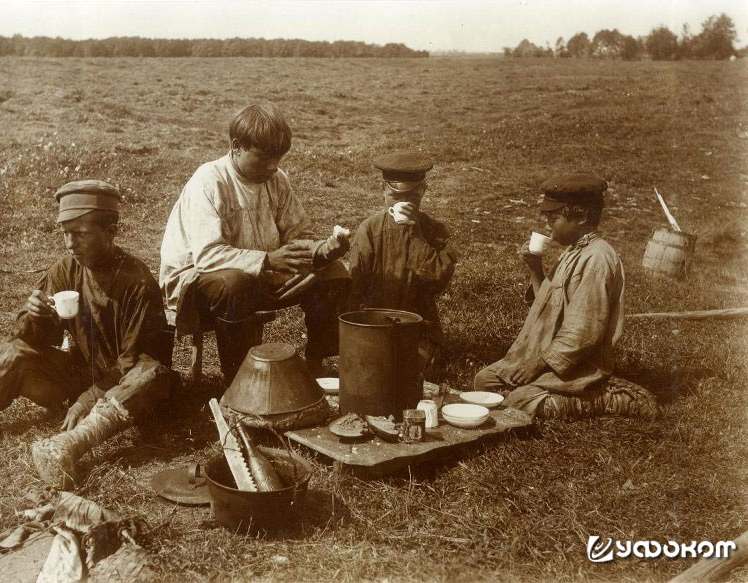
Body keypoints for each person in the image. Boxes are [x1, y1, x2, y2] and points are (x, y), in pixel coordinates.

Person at [0, 180, 174, 489]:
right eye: (65, 233)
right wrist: (33, 316)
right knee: (10, 351)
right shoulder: (66, 268)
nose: (70, 244)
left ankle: (69, 445)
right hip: (81, 376)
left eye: (81, 234)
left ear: (110, 231)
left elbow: (134, 361)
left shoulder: (137, 282)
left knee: (151, 373)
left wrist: (87, 399)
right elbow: (31, 341)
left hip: (129, 388)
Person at [159, 103, 350, 382]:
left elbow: (299, 237)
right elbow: (208, 256)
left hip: (264, 274)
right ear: (236, 146)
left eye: (279, 158)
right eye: (263, 157)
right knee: (237, 283)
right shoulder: (209, 180)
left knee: (335, 274)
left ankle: (316, 366)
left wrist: (324, 250)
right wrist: (267, 260)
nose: (274, 166)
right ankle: (239, 380)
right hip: (196, 284)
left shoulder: (276, 179)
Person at [473, 173, 658, 420]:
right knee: (484, 382)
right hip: (549, 354)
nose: (548, 226)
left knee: (519, 402)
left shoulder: (596, 259)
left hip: (578, 363)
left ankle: (608, 397)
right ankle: (544, 390)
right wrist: (535, 267)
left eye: (554, 218)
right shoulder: (573, 251)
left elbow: (583, 333)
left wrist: (537, 365)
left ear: (580, 217)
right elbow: (547, 305)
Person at [348, 152, 456, 380]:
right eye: (396, 196)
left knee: (416, 373)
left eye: (411, 196)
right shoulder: (369, 230)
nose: (403, 203)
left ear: (423, 190)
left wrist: (416, 235)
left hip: (419, 327)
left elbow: (437, 280)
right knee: (375, 373)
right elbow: (355, 289)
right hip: (375, 325)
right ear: (383, 192)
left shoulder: (434, 230)